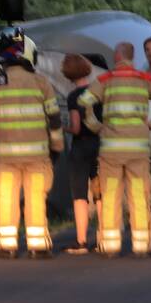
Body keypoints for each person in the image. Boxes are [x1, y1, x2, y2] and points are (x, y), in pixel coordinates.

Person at [78, 42, 151, 258]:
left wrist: (95, 126)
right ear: (132, 57)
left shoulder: (105, 79)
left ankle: (110, 246)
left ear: (116, 57)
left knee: (111, 196)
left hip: (111, 151)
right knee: (139, 196)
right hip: (138, 151)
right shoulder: (145, 79)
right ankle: (141, 247)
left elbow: (83, 102)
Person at [0, 27, 64, 259]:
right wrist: (56, 148)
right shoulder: (41, 82)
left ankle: (7, 247)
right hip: (37, 156)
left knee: (6, 200)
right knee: (36, 199)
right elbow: (55, 119)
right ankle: (37, 246)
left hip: (5, 157)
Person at [61, 54, 102, 254]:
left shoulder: (73, 97)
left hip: (81, 148)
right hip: (100, 146)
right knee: (100, 193)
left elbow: (76, 128)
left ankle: (82, 241)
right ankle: (104, 238)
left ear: (68, 74)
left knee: (80, 195)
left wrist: (64, 127)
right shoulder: (98, 93)